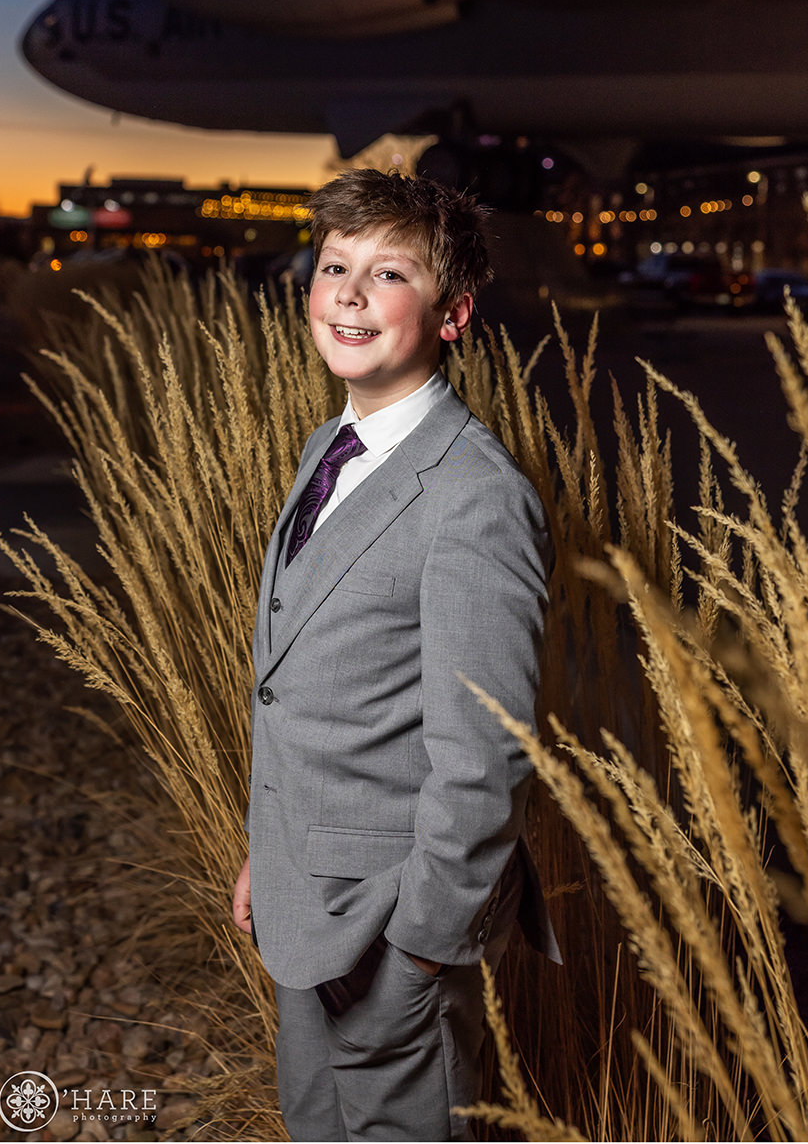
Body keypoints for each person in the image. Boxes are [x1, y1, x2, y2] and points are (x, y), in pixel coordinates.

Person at [232, 169, 560, 1142]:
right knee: (316, 1123)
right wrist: (270, 849)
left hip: (389, 932)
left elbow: (486, 754)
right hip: (305, 900)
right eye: (335, 266)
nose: (347, 292)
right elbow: (298, 687)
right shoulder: (328, 448)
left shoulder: (475, 497)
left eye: (388, 274)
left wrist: (419, 948)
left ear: (453, 313)